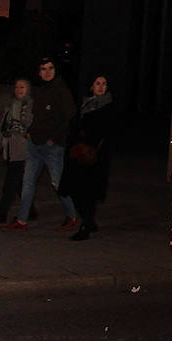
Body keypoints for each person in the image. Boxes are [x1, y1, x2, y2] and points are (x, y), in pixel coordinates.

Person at [3, 57, 78, 231]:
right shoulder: (37, 90)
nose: (47, 72)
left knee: (58, 183)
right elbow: (31, 113)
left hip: (53, 147)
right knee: (27, 182)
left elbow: (70, 117)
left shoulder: (62, 90)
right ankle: (21, 220)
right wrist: (29, 132)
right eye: (43, 69)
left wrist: (55, 138)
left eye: (50, 68)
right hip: (34, 144)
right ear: (39, 72)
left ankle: (72, 215)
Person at [58, 76, 115, 240]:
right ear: (91, 86)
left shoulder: (108, 106)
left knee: (88, 193)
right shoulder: (84, 103)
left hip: (94, 156)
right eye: (98, 83)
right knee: (72, 189)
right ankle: (88, 221)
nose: (101, 87)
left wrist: (87, 134)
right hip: (77, 154)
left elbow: (105, 131)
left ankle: (86, 225)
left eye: (104, 84)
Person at [0, 78, 34, 223]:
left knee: (10, 184)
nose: (19, 90)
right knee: (18, 184)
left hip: (23, 150)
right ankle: (31, 210)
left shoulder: (31, 107)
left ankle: (1, 213)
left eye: (22, 87)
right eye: (16, 87)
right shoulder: (10, 107)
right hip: (10, 149)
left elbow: (31, 128)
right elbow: (2, 130)